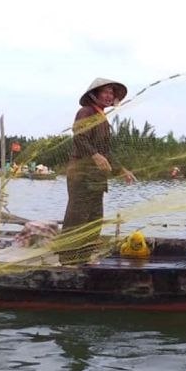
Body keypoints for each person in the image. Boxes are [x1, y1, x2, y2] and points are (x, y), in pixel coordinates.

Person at [60, 78, 136, 264]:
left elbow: (106, 151)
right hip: (81, 174)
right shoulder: (86, 112)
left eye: (112, 93)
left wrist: (122, 170)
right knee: (77, 217)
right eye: (106, 92)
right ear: (95, 94)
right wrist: (95, 156)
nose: (110, 96)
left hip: (96, 177)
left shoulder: (102, 118)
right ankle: (68, 259)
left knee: (94, 218)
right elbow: (79, 136)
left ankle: (84, 257)